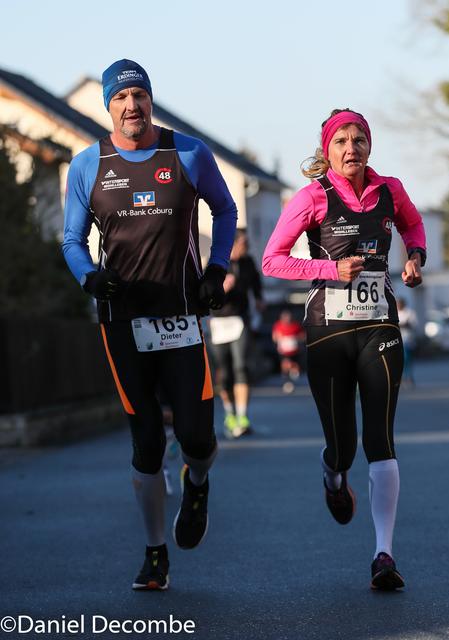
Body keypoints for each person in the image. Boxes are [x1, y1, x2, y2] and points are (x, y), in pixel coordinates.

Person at [62, 59, 237, 591]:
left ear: (150, 100)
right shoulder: (88, 165)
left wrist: (217, 269)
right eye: (120, 97)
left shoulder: (188, 153)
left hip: (181, 315)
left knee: (197, 437)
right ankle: (155, 553)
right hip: (122, 322)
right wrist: (90, 278)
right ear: (108, 106)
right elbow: (72, 240)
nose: (131, 105)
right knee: (146, 444)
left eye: (139, 94)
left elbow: (225, 210)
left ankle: (198, 483)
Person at [262, 108, 426, 590]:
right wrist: (329, 270)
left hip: (380, 326)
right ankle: (333, 475)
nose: (351, 148)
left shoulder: (390, 190)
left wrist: (415, 257)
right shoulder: (313, 197)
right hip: (328, 331)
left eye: (359, 140)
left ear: (370, 145)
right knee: (344, 446)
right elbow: (273, 260)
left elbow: (414, 227)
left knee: (381, 439)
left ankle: (383, 554)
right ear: (327, 150)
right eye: (341, 141)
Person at [208, 229, 264, 438]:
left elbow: (256, 283)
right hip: (219, 322)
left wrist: (259, 298)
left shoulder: (247, 262)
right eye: (243, 243)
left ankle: (242, 416)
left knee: (241, 367)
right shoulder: (216, 263)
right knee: (224, 371)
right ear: (232, 244)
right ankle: (229, 414)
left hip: (240, 319)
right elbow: (204, 293)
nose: (246, 247)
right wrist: (221, 289)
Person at [272, 308, 305, 393]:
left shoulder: (296, 325)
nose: (287, 319)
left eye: (288, 317)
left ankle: (293, 373)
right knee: (285, 364)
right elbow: (274, 337)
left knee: (294, 366)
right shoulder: (278, 325)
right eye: (285, 317)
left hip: (294, 350)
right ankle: (286, 381)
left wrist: (296, 339)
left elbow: (303, 336)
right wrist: (279, 338)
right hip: (283, 351)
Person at [397, 297, 418, 386]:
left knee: (407, 358)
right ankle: (402, 377)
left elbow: (414, 324)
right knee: (399, 359)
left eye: (400, 303)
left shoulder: (409, 313)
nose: (398, 305)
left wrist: (404, 324)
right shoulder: (395, 312)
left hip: (408, 339)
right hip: (397, 340)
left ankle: (408, 377)